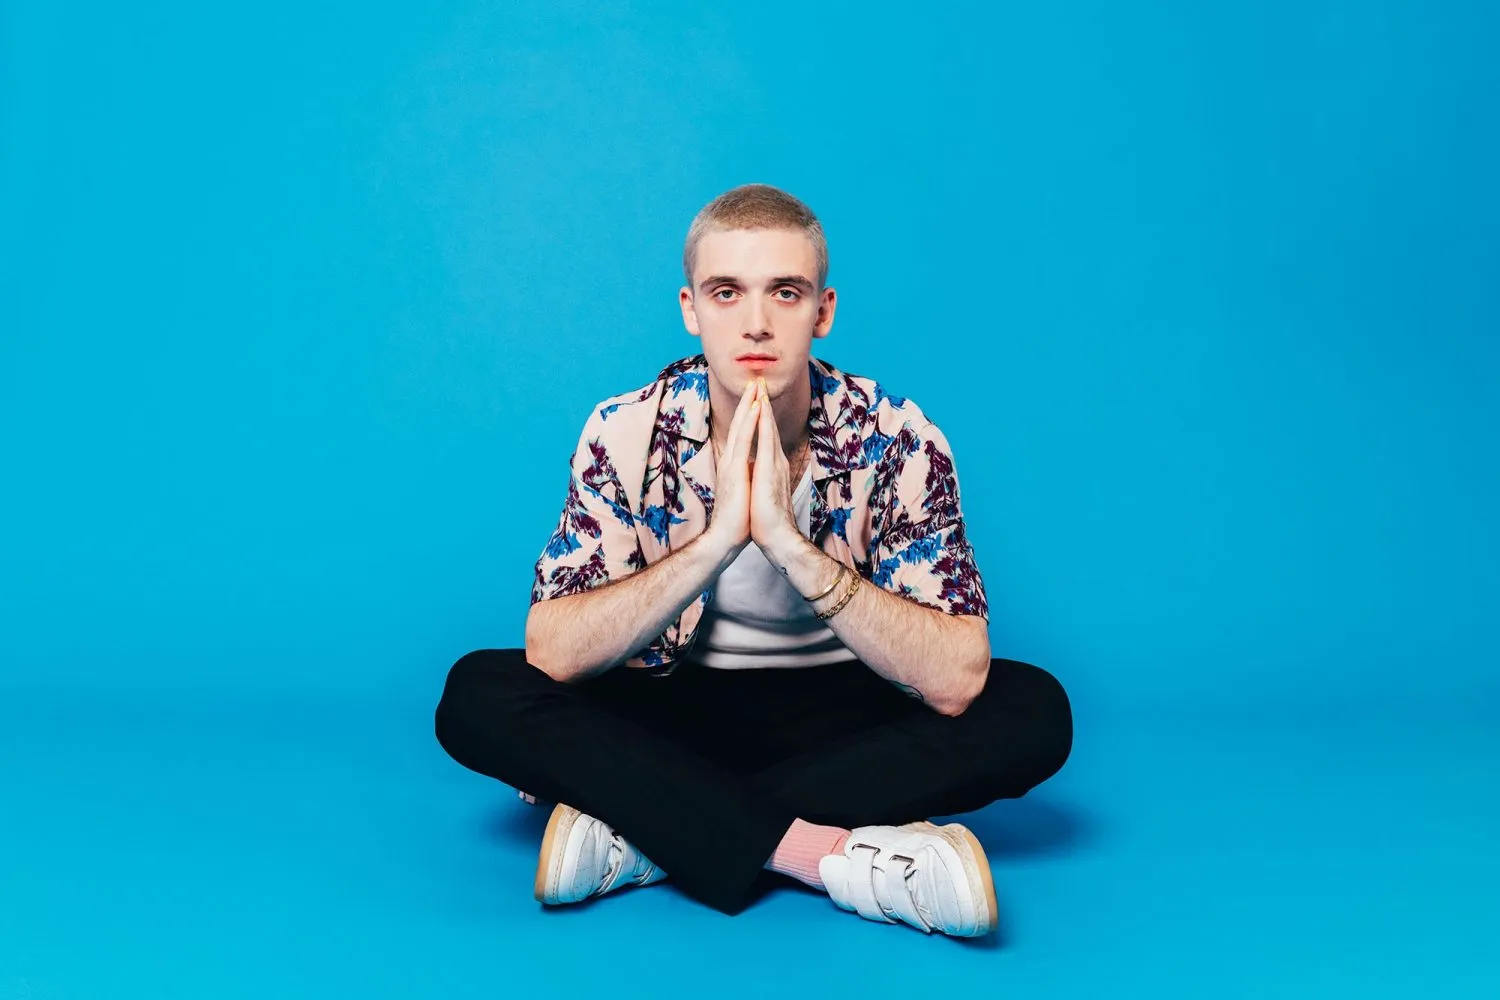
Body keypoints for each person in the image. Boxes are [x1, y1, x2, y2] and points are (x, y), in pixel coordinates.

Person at [434, 183, 1072, 937]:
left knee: (1034, 709)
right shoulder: (625, 430)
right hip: (670, 708)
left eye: (786, 293)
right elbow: (554, 652)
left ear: (823, 312)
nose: (757, 322)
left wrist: (789, 546)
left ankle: (646, 831)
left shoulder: (899, 438)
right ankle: (829, 855)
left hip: (846, 716)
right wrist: (715, 543)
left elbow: (957, 678)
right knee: (477, 691)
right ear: (691, 309)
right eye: (727, 292)